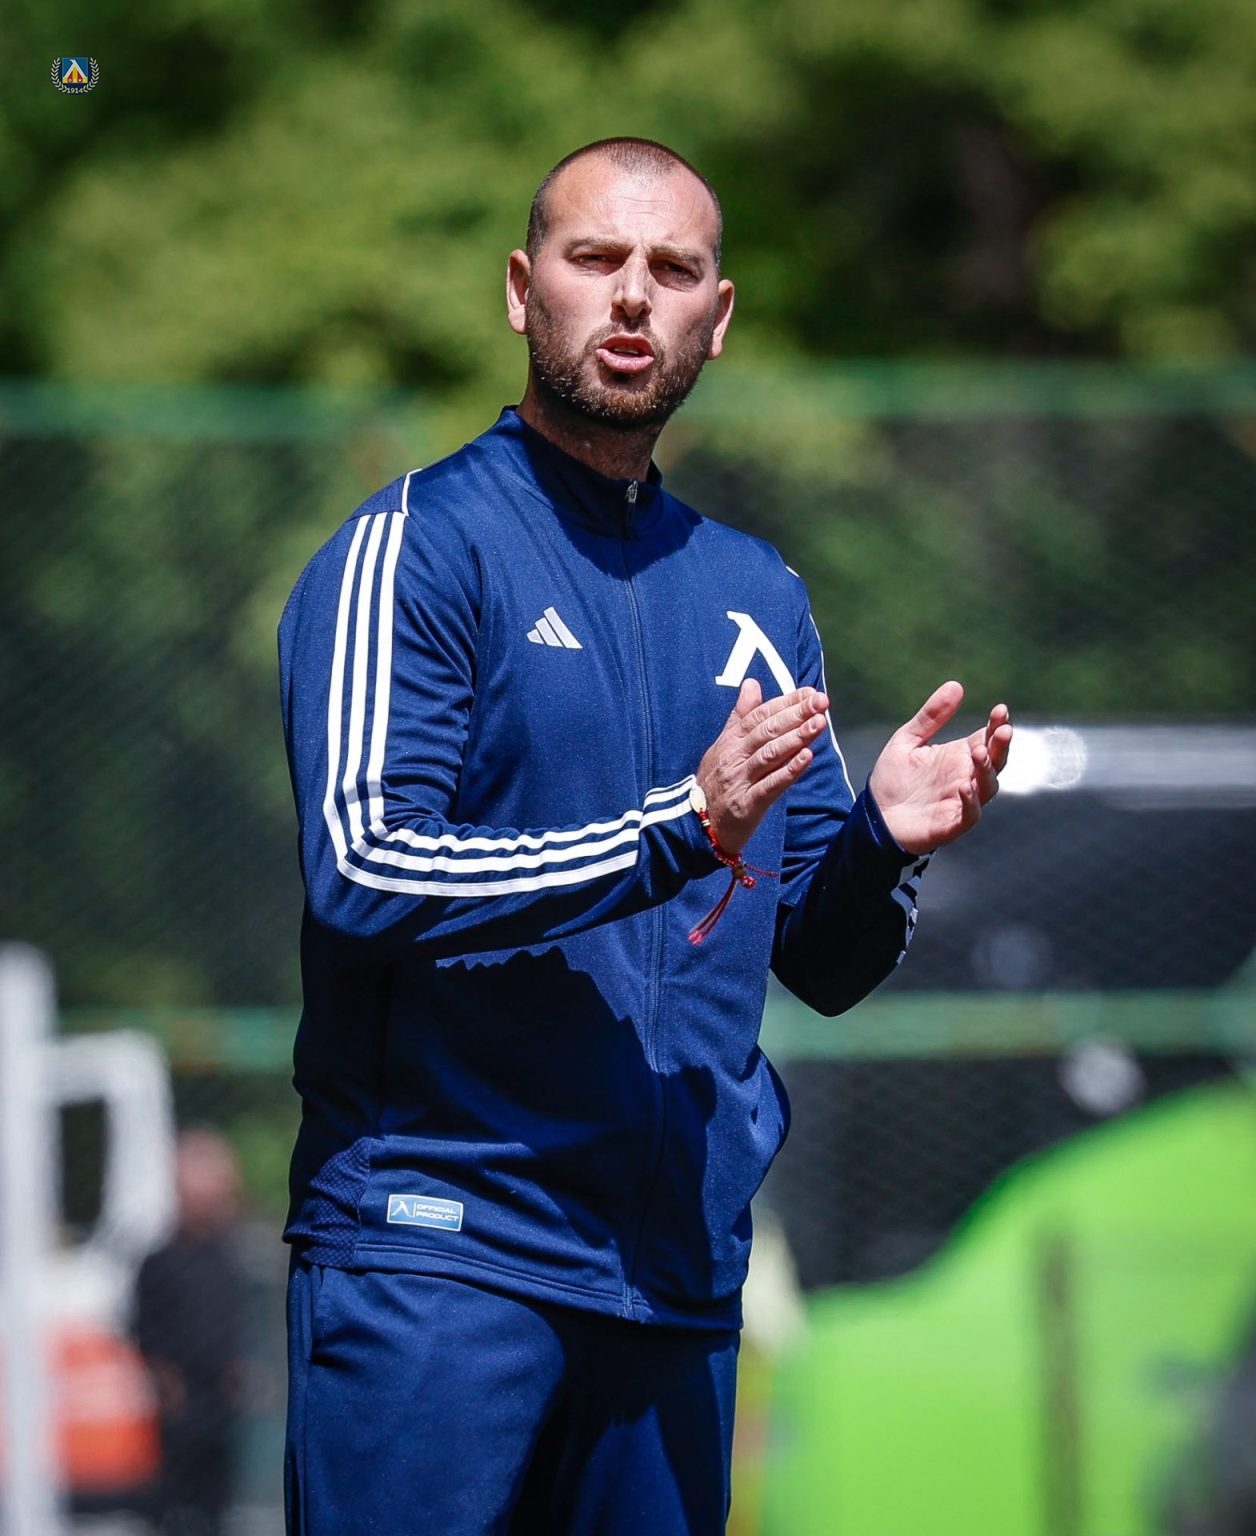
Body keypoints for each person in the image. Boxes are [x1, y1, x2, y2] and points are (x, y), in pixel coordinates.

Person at [278, 136, 1012, 1535]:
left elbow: (818, 961)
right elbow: (366, 869)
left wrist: (882, 842)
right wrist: (682, 822)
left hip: (672, 1286)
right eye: (594, 258)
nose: (631, 295)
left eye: (672, 270)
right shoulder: (417, 547)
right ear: (521, 289)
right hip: (443, 1259)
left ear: (714, 319)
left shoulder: (757, 591)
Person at [133, 1129, 246, 1536]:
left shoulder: (226, 1258)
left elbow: (231, 1323)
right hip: (179, 1401)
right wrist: (164, 1380)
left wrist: (236, 1370)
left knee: (217, 1499)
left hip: (219, 1398)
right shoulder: (160, 1261)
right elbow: (144, 1329)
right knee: (175, 1502)